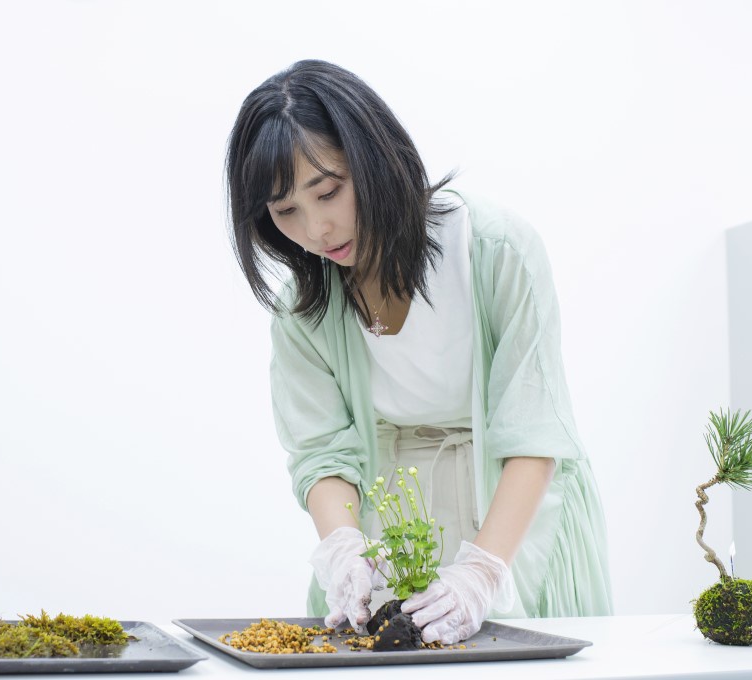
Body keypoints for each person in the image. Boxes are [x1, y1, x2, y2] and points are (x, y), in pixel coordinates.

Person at [225, 59, 613, 645]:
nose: (318, 229)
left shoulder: (495, 250)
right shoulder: (302, 309)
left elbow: (533, 434)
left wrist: (482, 571)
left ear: (373, 157)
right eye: (286, 212)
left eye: (328, 191)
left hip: (518, 516)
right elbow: (322, 454)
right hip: (396, 526)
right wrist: (344, 549)